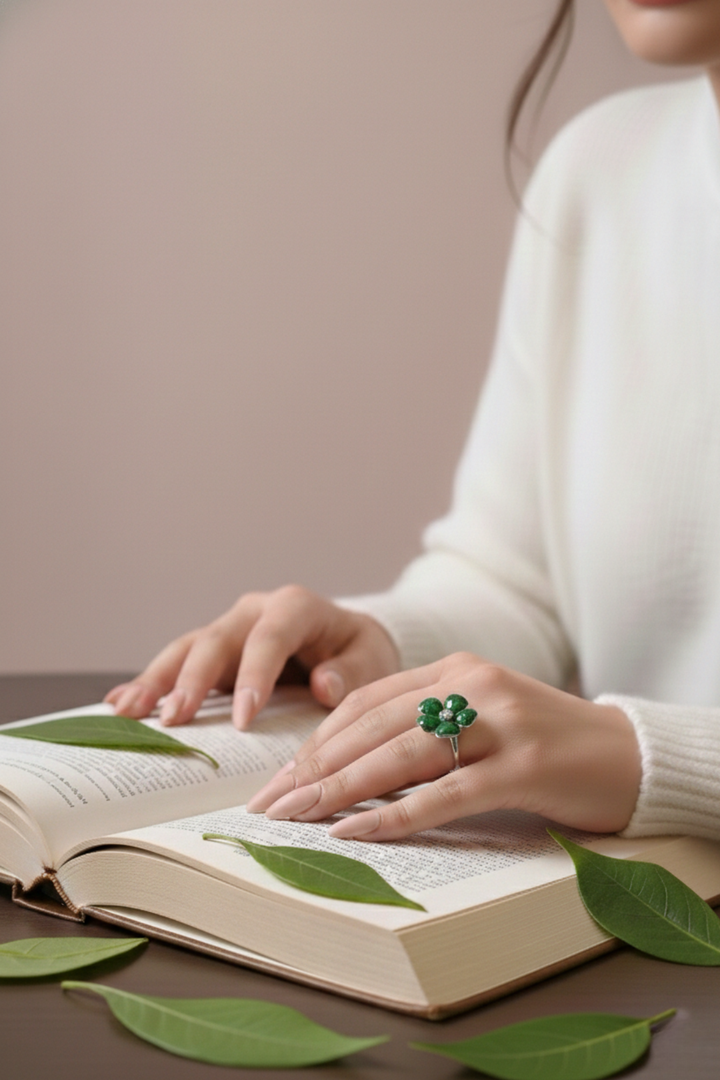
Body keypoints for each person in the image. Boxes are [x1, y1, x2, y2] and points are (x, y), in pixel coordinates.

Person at [106, 0, 720, 845]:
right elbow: (519, 582)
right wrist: (381, 645)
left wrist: (646, 760)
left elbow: (621, 751)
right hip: (613, 931)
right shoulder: (601, 171)